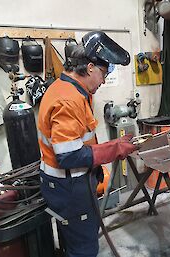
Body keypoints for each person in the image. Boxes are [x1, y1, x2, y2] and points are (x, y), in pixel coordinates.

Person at [38, 31, 137, 257]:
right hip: (69, 188)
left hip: (73, 183)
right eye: (103, 72)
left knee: (76, 239)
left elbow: (80, 140)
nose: (103, 80)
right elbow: (69, 156)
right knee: (83, 248)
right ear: (90, 67)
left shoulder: (72, 89)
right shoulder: (68, 99)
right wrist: (115, 148)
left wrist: (110, 148)